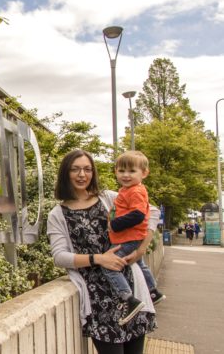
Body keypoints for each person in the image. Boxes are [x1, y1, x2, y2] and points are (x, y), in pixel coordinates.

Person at [48, 150, 158, 354]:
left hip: (130, 289)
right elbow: (60, 257)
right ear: (66, 173)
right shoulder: (57, 214)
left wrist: (141, 250)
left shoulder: (109, 198)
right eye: (75, 169)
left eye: (87, 169)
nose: (82, 174)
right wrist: (99, 259)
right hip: (98, 299)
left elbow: (151, 213)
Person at [104, 151, 165, 324]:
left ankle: (128, 300)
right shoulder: (127, 190)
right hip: (130, 238)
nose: (126, 175)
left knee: (109, 266)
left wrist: (114, 225)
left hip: (129, 238)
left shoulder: (135, 191)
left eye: (132, 171)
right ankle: (153, 292)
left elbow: (138, 215)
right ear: (115, 171)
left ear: (144, 173)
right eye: (121, 171)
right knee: (139, 262)